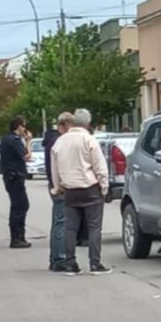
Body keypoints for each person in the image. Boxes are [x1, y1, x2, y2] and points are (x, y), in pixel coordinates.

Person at [51, 109, 111, 276]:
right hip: (90, 188)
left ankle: (70, 263)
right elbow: (100, 166)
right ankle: (95, 263)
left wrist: (57, 187)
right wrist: (104, 187)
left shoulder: (60, 142)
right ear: (88, 124)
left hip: (69, 189)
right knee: (94, 228)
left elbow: (54, 168)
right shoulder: (89, 140)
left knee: (70, 228)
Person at [42, 112, 74, 272]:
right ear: (66, 125)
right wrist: (61, 184)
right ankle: (60, 258)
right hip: (59, 186)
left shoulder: (50, 139)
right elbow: (59, 165)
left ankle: (55, 258)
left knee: (57, 222)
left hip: (53, 184)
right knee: (62, 222)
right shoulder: (58, 141)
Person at [0, 116, 33, 248]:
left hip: (10, 176)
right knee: (20, 206)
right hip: (15, 177)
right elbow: (26, 155)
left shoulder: (6, 139)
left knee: (19, 205)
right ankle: (17, 237)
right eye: (24, 126)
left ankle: (18, 236)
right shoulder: (14, 140)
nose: (25, 129)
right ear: (19, 126)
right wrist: (28, 141)